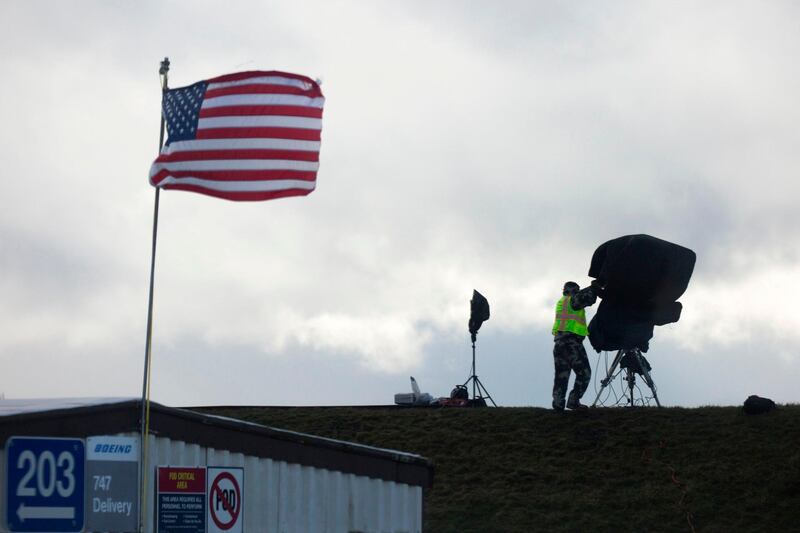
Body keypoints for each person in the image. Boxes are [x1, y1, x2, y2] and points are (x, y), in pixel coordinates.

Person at [551, 280, 602, 411]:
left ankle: (558, 404)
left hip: (559, 344)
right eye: (577, 290)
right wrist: (594, 288)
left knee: (562, 376)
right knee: (584, 373)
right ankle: (573, 401)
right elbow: (584, 299)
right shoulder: (571, 300)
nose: (579, 292)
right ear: (572, 290)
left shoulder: (562, 301)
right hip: (571, 343)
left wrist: (592, 289)